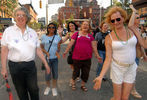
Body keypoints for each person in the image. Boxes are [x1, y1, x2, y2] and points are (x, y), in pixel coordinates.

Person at [1, 7, 50, 100]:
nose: (20, 17)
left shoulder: (32, 32)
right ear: (14, 17)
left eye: (23, 15)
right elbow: (4, 51)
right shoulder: (8, 31)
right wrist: (4, 68)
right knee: (21, 91)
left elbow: (38, 49)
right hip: (14, 66)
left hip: (30, 66)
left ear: (27, 17)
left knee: (34, 89)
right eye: (18, 15)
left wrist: (45, 63)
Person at [93, 6, 138, 100]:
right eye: (113, 21)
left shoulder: (131, 30)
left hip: (131, 67)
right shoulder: (109, 38)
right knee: (118, 98)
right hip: (117, 68)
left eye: (118, 19)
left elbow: (144, 45)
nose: (116, 22)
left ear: (123, 17)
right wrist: (100, 76)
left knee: (125, 98)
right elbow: (108, 59)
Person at [63, 21, 102, 92]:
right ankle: (73, 83)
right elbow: (71, 43)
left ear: (89, 27)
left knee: (85, 73)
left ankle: (83, 85)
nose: (85, 26)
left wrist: (97, 55)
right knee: (76, 72)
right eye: (84, 24)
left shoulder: (90, 36)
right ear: (81, 26)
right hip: (77, 58)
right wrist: (66, 51)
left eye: (87, 25)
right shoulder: (76, 34)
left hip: (87, 58)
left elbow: (94, 47)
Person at [40, 22, 61, 96]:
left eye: (53, 27)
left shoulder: (57, 37)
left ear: (55, 29)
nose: (51, 29)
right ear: (47, 29)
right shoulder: (43, 37)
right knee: (47, 75)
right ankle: (48, 87)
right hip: (47, 59)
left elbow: (59, 47)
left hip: (55, 59)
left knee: (55, 74)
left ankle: (54, 88)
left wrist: (58, 52)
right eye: (49, 27)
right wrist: (46, 52)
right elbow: (41, 47)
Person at [61, 21, 80, 86]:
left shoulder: (79, 32)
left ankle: (74, 78)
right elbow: (62, 41)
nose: (71, 27)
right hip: (71, 52)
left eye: (72, 25)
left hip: (79, 52)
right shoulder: (69, 34)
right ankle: (76, 75)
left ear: (75, 26)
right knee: (72, 65)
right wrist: (60, 34)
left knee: (77, 66)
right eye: (70, 26)